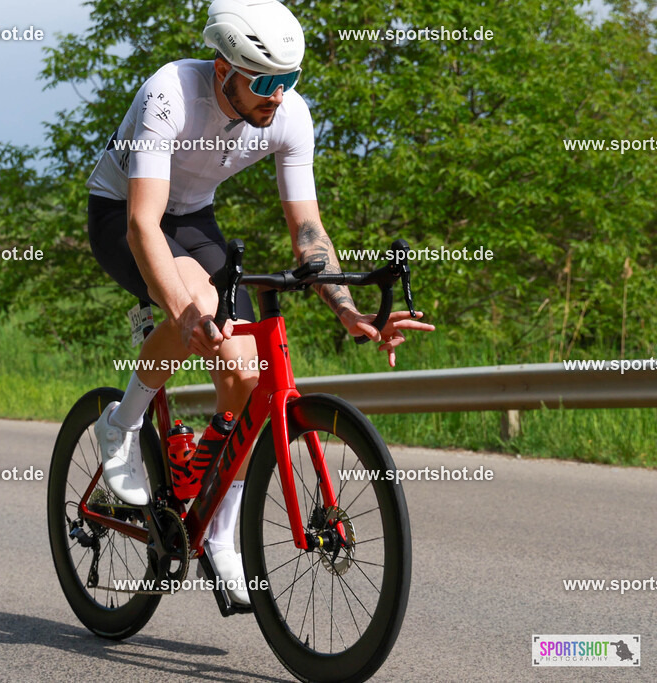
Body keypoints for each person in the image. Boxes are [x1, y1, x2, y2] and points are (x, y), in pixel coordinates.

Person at [85, 0, 434, 605]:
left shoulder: (289, 115)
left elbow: (308, 233)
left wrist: (349, 311)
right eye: (265, 81)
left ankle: (221, 534)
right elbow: (144, 226)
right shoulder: (170, 91)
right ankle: (123, 422)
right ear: (223, 70)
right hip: (123, 212)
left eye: (289, 80)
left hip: (193, 218)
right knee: (194, 300)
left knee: (245, 375)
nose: (278, 95)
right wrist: (186, 310)